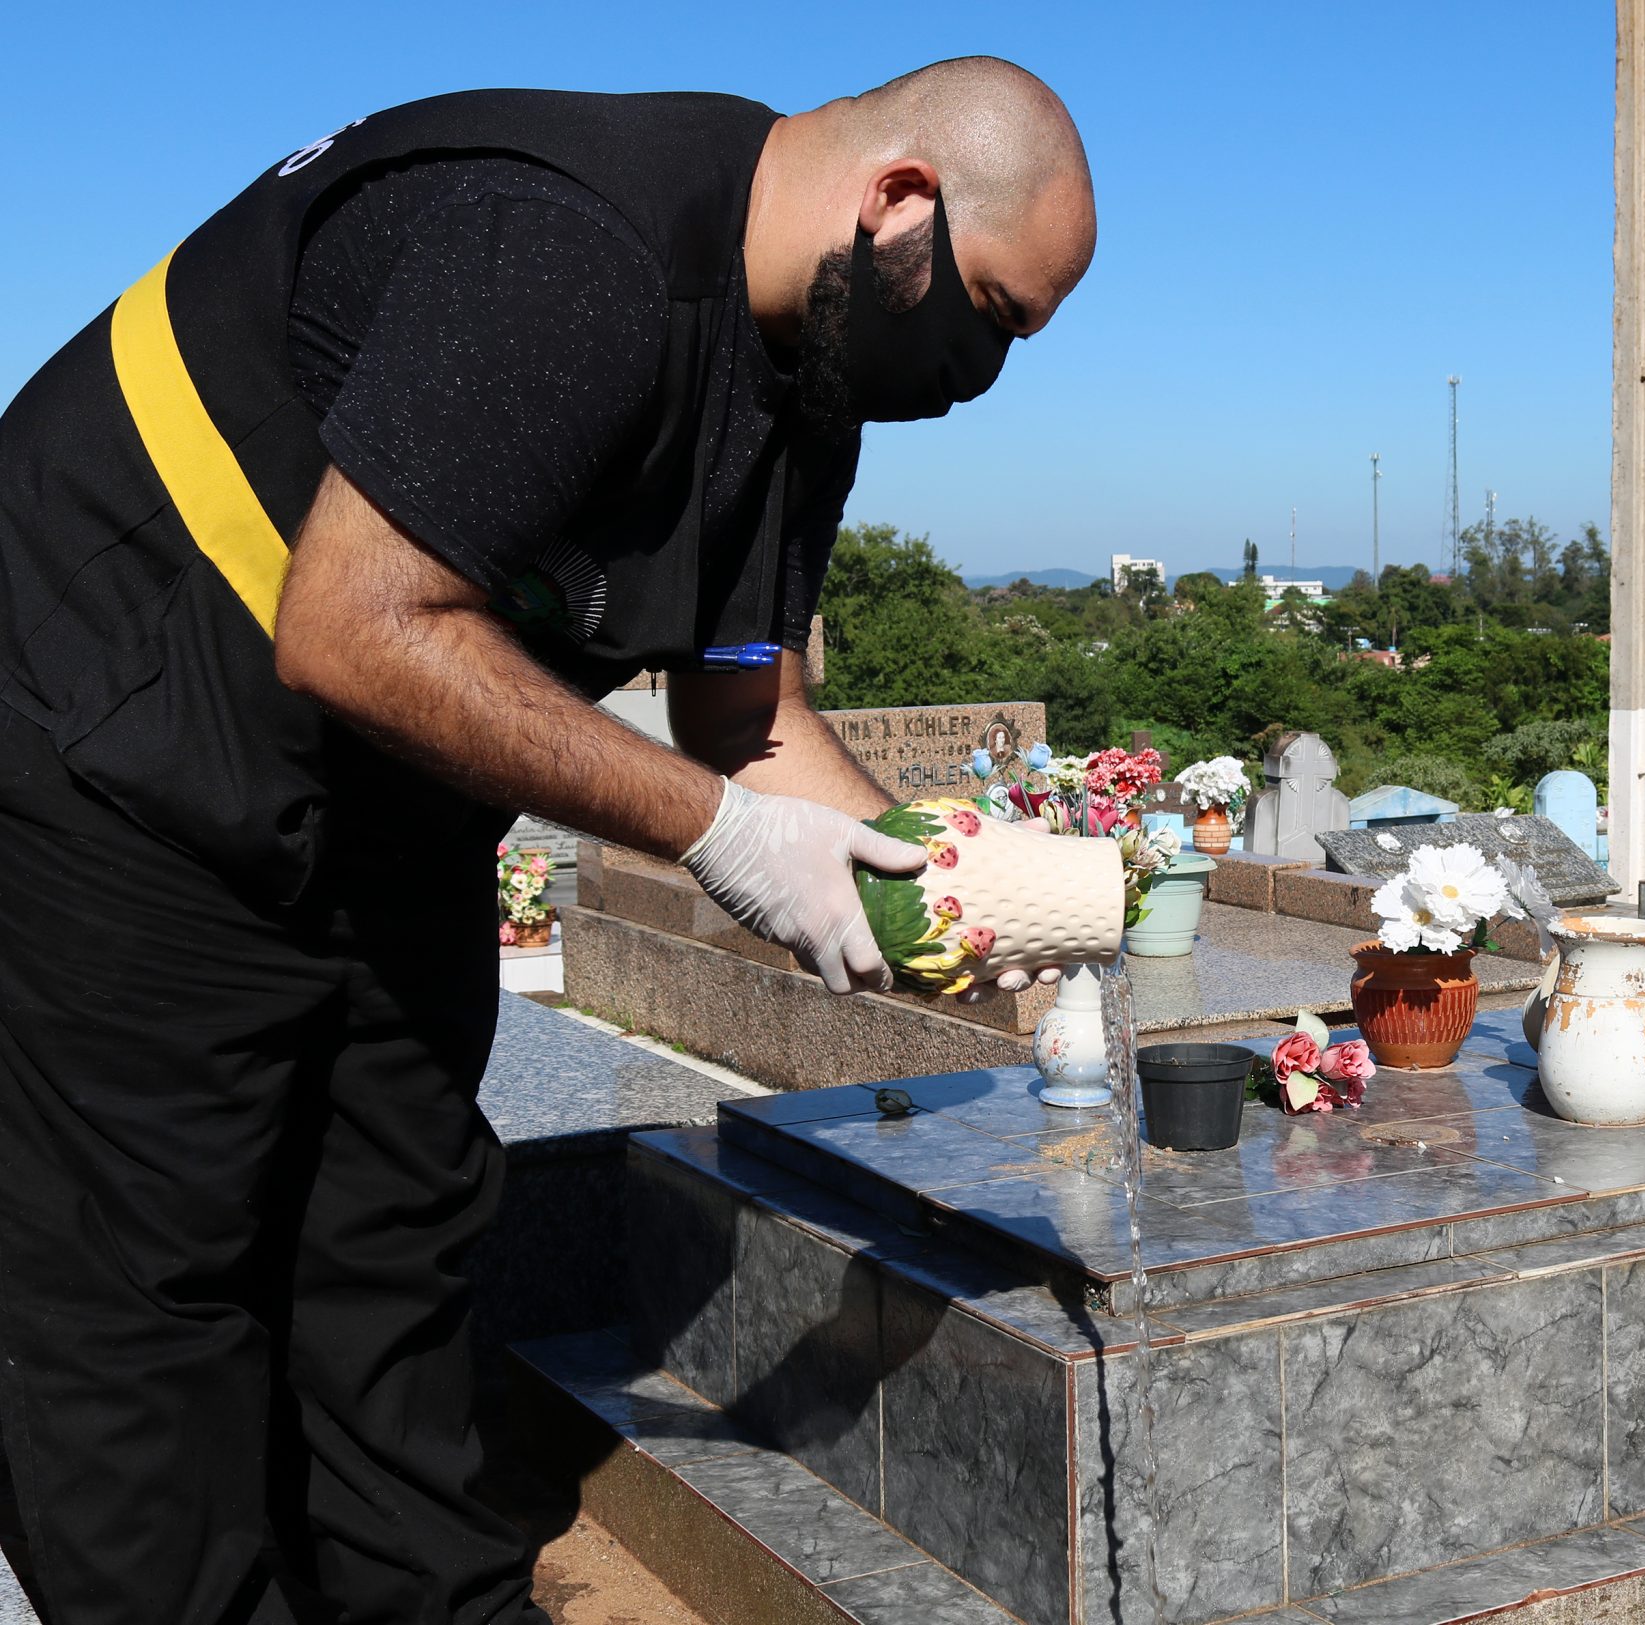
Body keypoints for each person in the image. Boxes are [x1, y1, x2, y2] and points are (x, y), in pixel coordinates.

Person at [0, 56, 1093, 1624]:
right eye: (991, 314)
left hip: (382, 779)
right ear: (899, 199)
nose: (980, 371)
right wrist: (722, 834)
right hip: (111, 708)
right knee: (145, 1277)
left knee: (391, 1223)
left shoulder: (809, 380)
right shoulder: (576, 251)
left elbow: (745, 706)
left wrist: (960, 897)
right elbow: (354, 626)